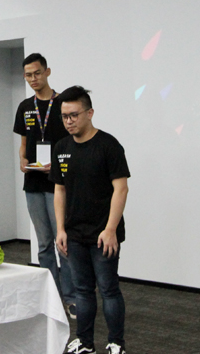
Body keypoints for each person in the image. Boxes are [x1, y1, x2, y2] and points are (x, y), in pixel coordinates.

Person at [51, 86, 130, 354]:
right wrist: (60, 229)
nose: (69, 121)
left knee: (109, 289)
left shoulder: (108, 145)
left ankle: (116, 343)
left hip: (102, 234)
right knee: (82, 291)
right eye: (64, 116)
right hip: (74, 234)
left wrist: (110, 230)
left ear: (90, 113)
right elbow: (59, 190)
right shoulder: (61, 147)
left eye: (74, 115)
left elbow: (121, 189)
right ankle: (85, 342)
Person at [13, 53, 77, 317]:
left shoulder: (61, 103)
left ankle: (73, 298)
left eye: (37, 73)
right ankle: (51, 298)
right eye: (28, 75)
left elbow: (73, 142)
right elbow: (24, 143)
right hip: (33, 182)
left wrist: (59, 165)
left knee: (63, 243)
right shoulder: (25, 106)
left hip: (57, 184)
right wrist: (23, 160)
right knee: (43, 244)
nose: (33, 79)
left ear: (47, 72)